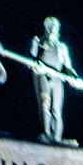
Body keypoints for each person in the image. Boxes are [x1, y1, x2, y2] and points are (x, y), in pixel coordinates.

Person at [30, 16, 76, 144]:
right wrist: (35, 46)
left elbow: (68, 66)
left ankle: (57, 138)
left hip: (57, 78)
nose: (52, 30)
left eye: (54, 27)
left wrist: (75, 77)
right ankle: (46, 134)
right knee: (45, 104)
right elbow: (32, 59)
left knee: (56, 109)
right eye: (50, 27)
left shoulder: (62, 47)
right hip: (43, 75)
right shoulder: (39, 41)